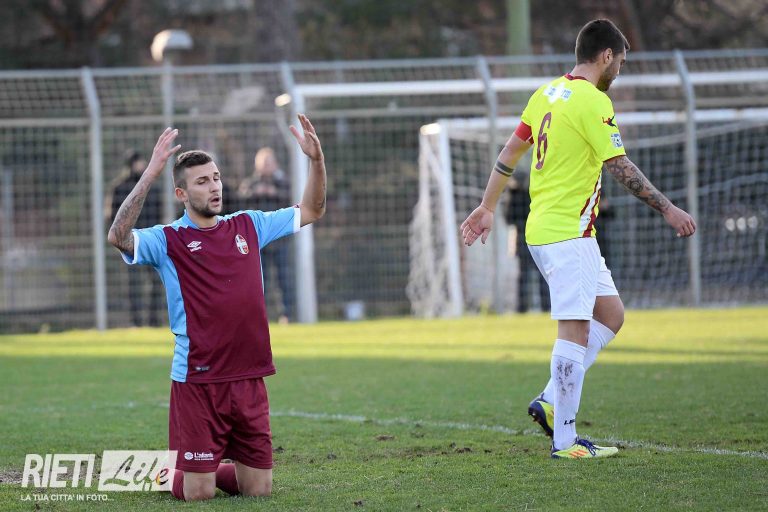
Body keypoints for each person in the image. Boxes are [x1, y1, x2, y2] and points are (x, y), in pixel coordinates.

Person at [460, 19, 695, 459]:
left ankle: (551, 399)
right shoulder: (594, 100)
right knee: (575, 328)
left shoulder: (546, 93)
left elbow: (510, 152)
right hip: (569, 234)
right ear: (606, 56)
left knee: (611, 315)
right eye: (620, 62)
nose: (619, 71)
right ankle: (565, 441)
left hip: (547, 231)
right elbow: (620, 166)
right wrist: (668, 208)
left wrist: (488, 205)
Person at [107, 114, 326, 500]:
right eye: (202, 181)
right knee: (199, 494)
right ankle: (165, 473)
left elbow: (312, 210)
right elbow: (118, 236)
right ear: (181, 193)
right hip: (198, 381)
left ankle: (203, 470)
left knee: (258, 491)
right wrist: (151, 174)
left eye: (216, 178)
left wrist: (317, 161)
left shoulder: (249, 225)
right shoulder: (168, 240)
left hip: (248, 377)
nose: (214, 187)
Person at [107, 150, 163, 326]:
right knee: (133, 283)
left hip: (150, 239)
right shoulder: (120, 188)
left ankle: (153, 319)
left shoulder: (153, 188)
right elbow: (113, 217)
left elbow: (159, 213)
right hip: (129, 242)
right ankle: (136, 321)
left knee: (156, 280)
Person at [238, 148, 293, 323]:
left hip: (280, 239)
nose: (266, 166)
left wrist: (274, 193)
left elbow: (292, 200)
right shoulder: (251, 184)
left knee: (284, 277)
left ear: (275, 164)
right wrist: (256, 193)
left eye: (269, 162)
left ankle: (286, 314)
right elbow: (240, 200)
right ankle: (261, 314)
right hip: (259, 240)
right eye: (263, 163)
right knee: (261, 279)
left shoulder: (282, 183)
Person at [504, 171, 550, 313]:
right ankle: (541, 307)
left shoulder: (524, 196)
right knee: (535, 274)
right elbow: (509, 219)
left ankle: (528, 307)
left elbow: (509, 219)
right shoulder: (525, 196)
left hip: (528, 239)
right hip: (531, 239)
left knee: (529, 275)